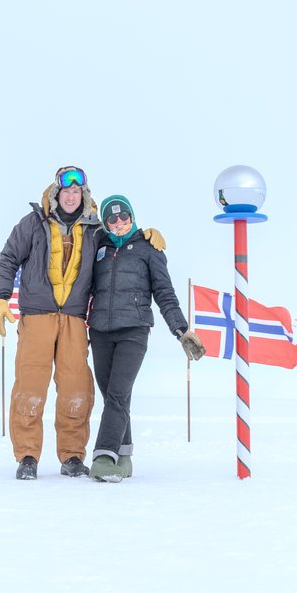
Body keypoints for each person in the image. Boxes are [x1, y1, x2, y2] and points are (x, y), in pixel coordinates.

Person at [0, 167, 165, 480]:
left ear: (83, 196)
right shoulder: (32, 224)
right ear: (55, 194)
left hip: (74, 319)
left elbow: (119, 236)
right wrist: (1, 297)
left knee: (76, 389)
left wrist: (144, 236)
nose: (71, 196)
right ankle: (28, 455)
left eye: (77, 192)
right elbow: (8, 259)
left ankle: (72, 455)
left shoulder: (94, 229)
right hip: (37, 317)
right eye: (65, 191)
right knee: (30, 387)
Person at [86, 194, 206, 483]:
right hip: (100, 331)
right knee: (114, 397)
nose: (119, 223)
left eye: (124, 216)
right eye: (111, 218)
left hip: (134, 331)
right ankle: (124, 457)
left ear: (132, 216)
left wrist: (181, 330)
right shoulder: (97, 246)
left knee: (117, 393)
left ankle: (104, 456)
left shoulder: (148, 248)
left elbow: (165, 293)